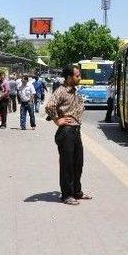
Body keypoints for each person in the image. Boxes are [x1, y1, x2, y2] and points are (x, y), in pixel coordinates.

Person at [45, 65, 92, 205]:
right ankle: (66, 195)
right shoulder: (61, 91)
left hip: (75, 131)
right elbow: (49, 106)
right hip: (66, 132)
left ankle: (77, 191)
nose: (80, 78)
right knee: (67, 165)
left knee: (78, 163)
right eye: (77, 75)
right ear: (69, 77)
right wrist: (57, 120)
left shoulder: (73, 91)